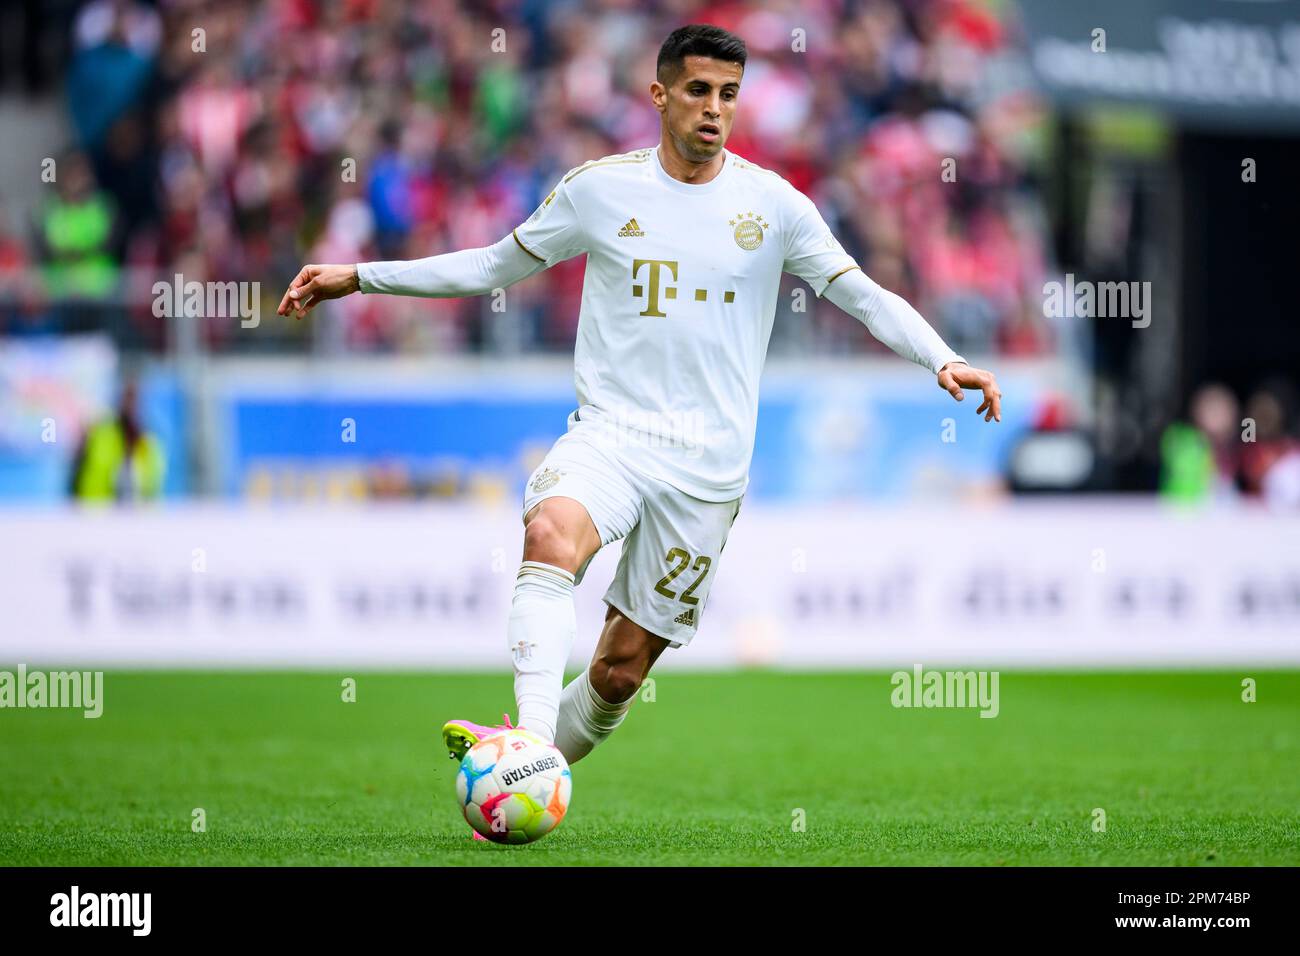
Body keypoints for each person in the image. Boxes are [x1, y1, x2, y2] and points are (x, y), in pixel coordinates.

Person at [276, 24, 1001, 826]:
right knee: (552, 531)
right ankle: (527, 750)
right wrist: (361, 276)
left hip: (708, 471)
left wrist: (943, 357)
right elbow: (490, 265)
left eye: (729, 94)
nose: (714, 109)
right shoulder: (598, 189)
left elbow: (863, 294)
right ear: (659, 95)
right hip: (612, 436)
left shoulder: (775, 206)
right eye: (697, 90)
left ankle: (529, 748)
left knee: (619, 675)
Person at [70, 378, 165, 502]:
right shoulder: (102, 434)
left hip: (136, 514)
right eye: (127, 400)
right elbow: (85, 474)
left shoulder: (149, 443)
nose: (130, 407)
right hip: (97, 510)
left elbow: (153, 485)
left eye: (134, 402)